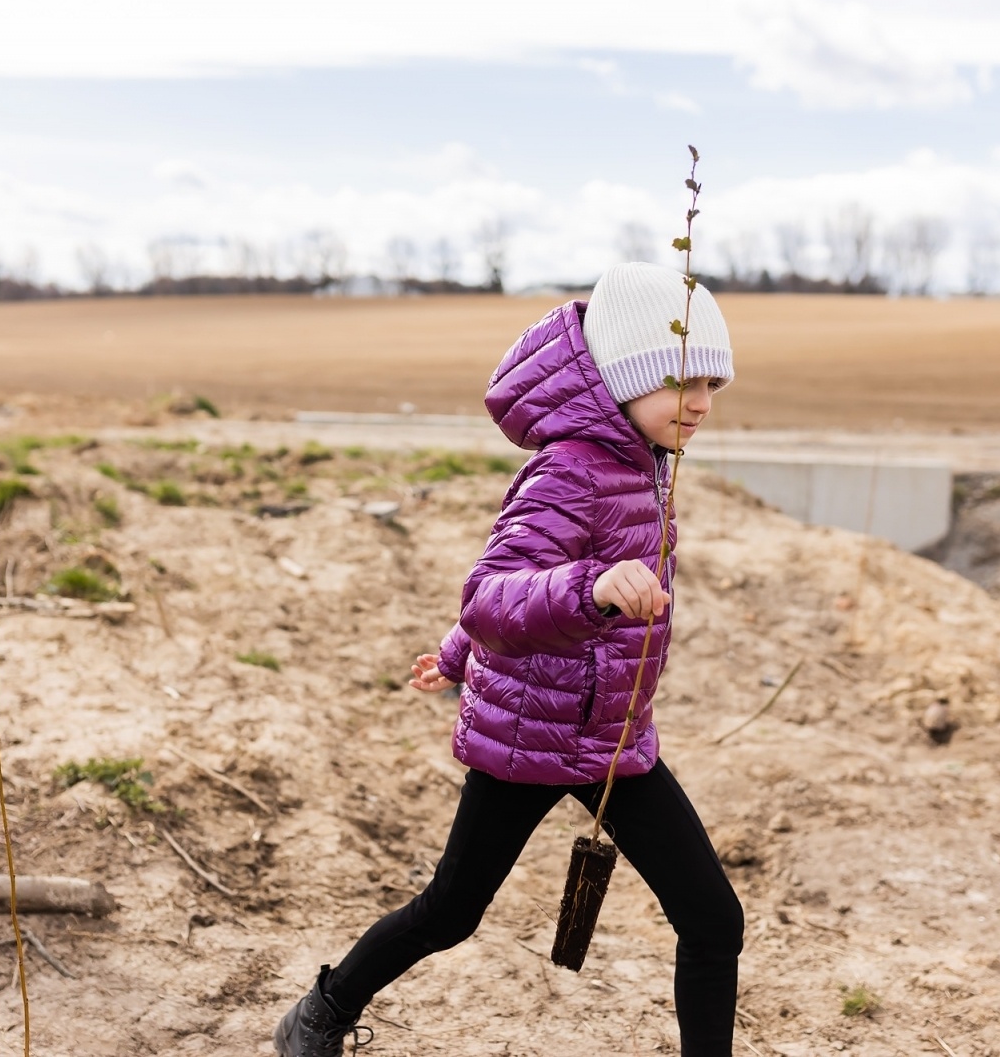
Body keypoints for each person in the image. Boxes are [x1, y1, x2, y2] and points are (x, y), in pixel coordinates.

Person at [273, 262, 746, 1057]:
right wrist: (590, 588)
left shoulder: (646, 463)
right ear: (625, 378)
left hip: (611, 743)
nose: (702, 403)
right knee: (451, 911)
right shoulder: (568, 470)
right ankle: (319, 1014)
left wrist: (458, 655)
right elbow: (492, 595)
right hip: (529, 735)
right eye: (682, 381)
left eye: (713, 383)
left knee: (712, 921)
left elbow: (514, 592)